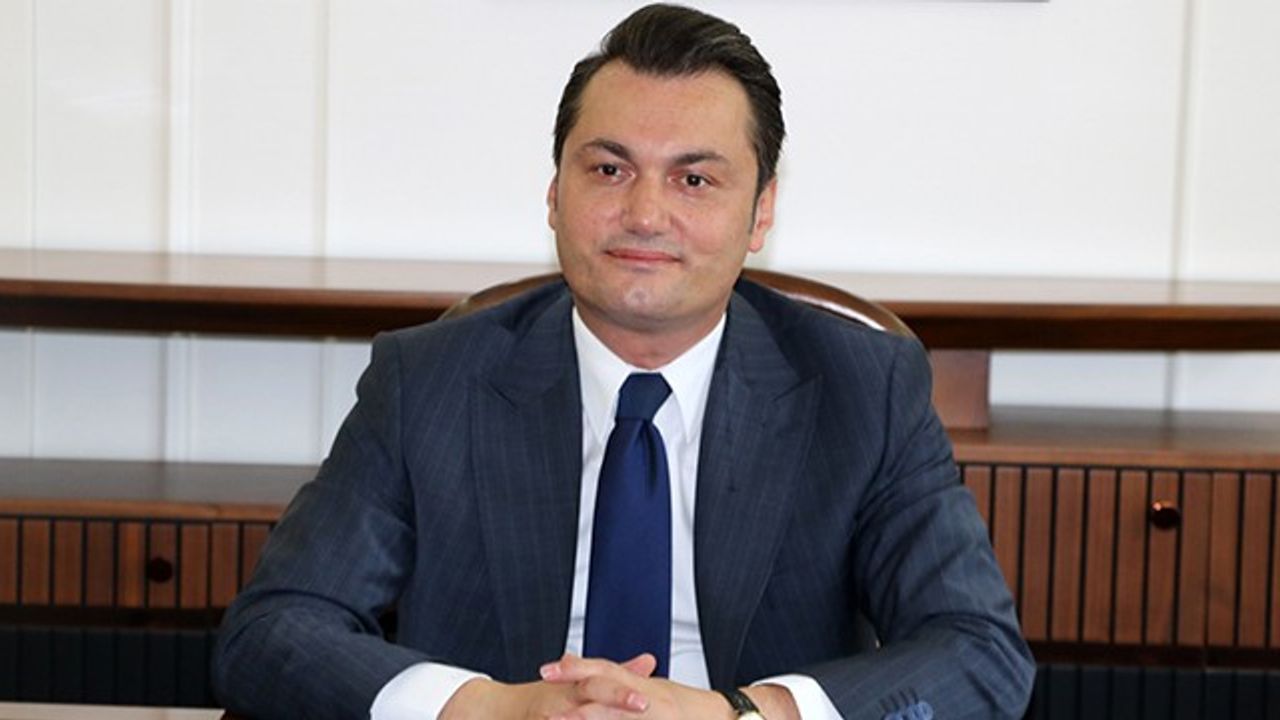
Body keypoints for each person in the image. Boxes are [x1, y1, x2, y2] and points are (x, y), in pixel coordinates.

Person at [212, 5, 1034, 719]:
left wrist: (743, 714)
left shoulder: (864, 389)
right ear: (554, 193)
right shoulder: (427, 382)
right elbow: (272, 630)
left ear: (762, 212)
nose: (644, 214)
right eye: (609, 170)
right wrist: (486, 707)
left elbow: (980, 652)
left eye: (694, 180)